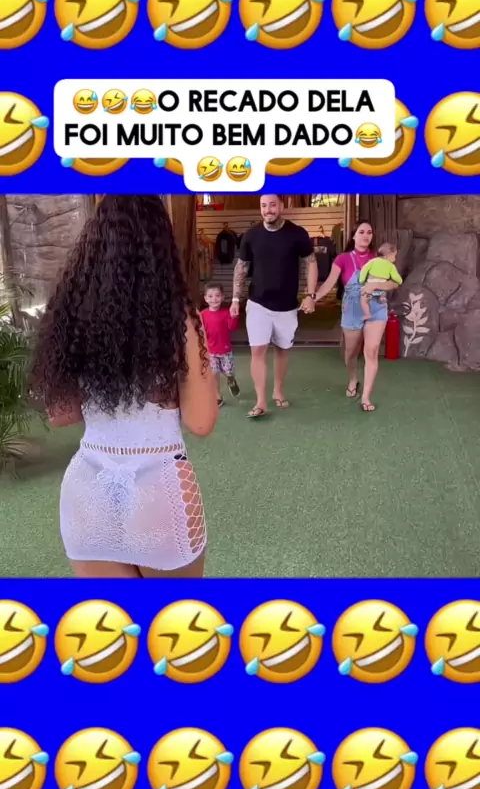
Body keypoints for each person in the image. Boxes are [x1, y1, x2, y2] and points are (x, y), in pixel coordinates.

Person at [30, 195, 218, 579]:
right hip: (160, 489)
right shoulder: (181, 320)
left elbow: (61, 414)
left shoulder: (73, 311)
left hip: (89, 489)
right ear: (162, 244)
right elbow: (201, 421)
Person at [230, 194, 318, 418]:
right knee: (257, 351)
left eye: (272, 205)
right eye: (263, 205)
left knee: (282, 350)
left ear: (281, 206)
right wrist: (235, 299)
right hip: (258, 303)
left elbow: (311, 262)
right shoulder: (251, 235)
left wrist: (310, 295)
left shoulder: (297, 233)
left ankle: (278, 390)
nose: (267, 210)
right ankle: (261, 402)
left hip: (287, 306)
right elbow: (241, 268)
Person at [315, 221, 399, 413]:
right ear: (353, 236)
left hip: (376, 307)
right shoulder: (342, 259)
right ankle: (352, 378)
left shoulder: (379, 258)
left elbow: (394, 282)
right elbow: (329, 283)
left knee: (372, 350)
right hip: (352, 307)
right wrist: (313, 298)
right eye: (361, 232)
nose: (365, 235)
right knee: (351, 352)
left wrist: (377, 286)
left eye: (369, 232)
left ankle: (366, 397)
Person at [201, 282, 240, 407]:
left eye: (217, 295)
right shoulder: (203, 314)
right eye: (210, 296)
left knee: (229, 371)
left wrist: (234, 317)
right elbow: (200, 332)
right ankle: (217, 396)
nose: (214, 299)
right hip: (210, 351)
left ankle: (231, 379)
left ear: (223, 297)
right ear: (205, 298)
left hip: (225, 350)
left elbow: (233, 327)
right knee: (214, 373)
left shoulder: (226, 312)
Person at [360, 242, 403, 320]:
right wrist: (400, 281)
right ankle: (381, 298)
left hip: (369, 286)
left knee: (364, 300)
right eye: (394, 256)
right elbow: (396, 277)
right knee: (381, 297)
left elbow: (364, 269)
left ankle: (367, 314)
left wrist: (362, 280)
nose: (395, 259)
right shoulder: (391, 266)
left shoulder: (373, 261)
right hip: (381, 288)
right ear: (388, 256)